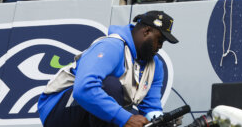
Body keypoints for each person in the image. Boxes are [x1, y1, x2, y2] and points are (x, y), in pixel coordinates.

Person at [37, 10, 178, 127]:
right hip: (57, 111)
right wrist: (125, 118)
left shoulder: (155, 66)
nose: (160, 46)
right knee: (111, 87)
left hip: (93, 112)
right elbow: (84, 89)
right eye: (159, 40)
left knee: (141, 121)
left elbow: (151, 109)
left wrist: (161, 122)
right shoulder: (112, 46)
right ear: (147, 31)